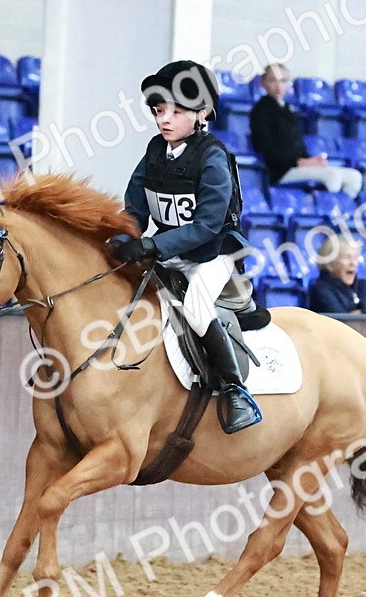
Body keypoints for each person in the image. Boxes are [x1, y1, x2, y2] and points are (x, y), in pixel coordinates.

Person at [108, 60, 262, 434]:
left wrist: (151, 244)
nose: (165, 119)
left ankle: (235, 389)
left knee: (194, 304)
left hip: (213, 253)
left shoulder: (212, 157)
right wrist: (123, 239)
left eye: (176, 112)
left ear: (201, 114)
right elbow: (135, 208)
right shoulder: (155, 151)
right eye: (160, 110)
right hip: (171, 248)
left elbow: (208, 225)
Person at [248, 64, 363, 198]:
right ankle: (328, 212)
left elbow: (296, 146)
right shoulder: (260, 111)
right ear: (262, 83)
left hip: (296, 165)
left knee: (354, 177)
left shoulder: (287, 109)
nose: (279, 86)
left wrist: (312, 160)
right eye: (272, 80)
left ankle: (342, 210)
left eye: (283, 81)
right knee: (332, 176)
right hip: (280, 170)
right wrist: (298, 162)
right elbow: (266, 148)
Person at [307, 234, 366, 315]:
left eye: (355, 257)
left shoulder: (364, 286)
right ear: (330, 264)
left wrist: (361, 313)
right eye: (347, 258)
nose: (353, 263)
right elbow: (343, 322)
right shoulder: (321, 289)